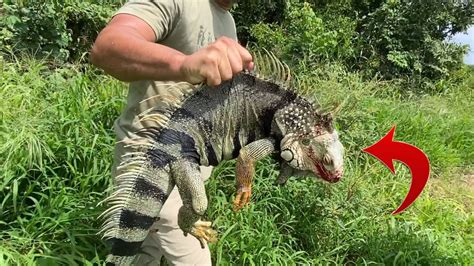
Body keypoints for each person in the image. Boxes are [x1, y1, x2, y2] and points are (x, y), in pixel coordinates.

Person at [91, 0, 253, 264]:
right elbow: (107, 47)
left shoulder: (228, 21)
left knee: (141, 256)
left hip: (186, 174)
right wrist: (185, 64)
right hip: (151, 169)